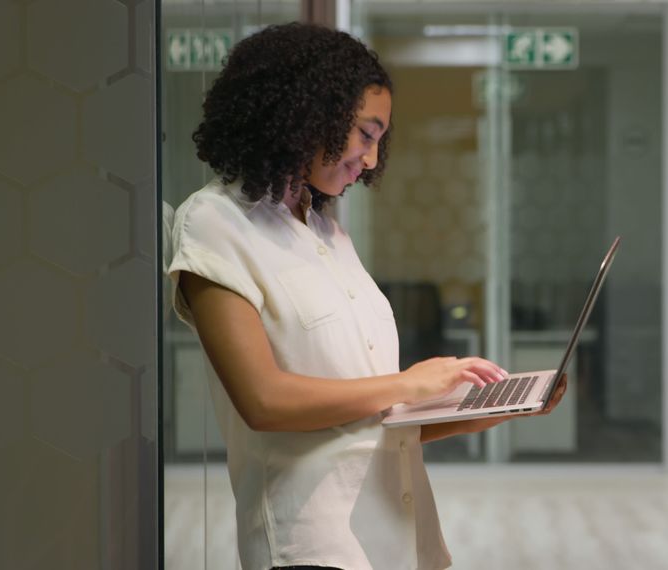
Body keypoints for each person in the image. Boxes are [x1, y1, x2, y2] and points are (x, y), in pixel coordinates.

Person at [168, 22, 566, 570]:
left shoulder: (325, 232)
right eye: (365, 134)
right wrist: (408, 382)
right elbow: (263, 401)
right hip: (308, 544)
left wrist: (479, 414)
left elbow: (362, 420)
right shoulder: (214, 223)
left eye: (379, 138)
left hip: (394, 534)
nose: (372, 159)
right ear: (306, 116)